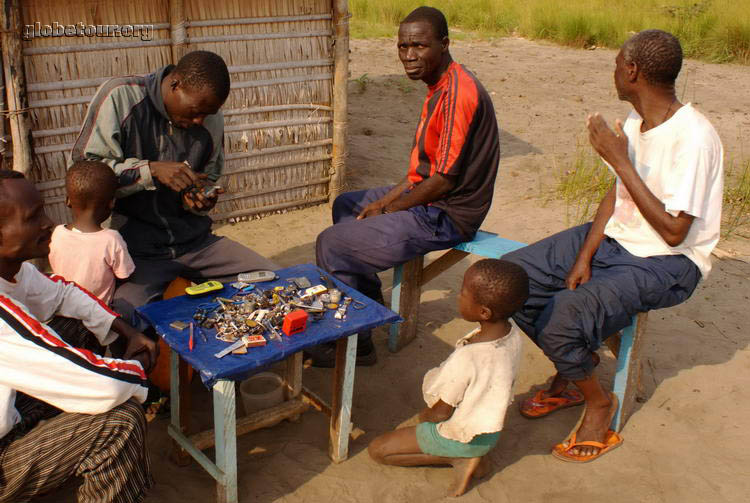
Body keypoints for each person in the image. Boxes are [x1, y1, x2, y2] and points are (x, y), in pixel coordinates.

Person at [504, 29, 723, 462]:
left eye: (617, 64)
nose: (614, 72)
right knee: (509, 279)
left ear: (632, 71)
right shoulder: (636, 124)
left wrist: (619, 158)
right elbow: (619, 192)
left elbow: (675, 232)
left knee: (564, 316)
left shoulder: (694, 138)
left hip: (667, 261)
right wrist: (585, 254)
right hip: (618, 242)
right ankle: (574, 369)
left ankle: (599, 402)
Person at [312, 6, 500, 366]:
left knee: (331, 244)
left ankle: (357, 344)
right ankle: (368, 303)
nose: (409, 56)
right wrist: (384, 202)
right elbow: (421, 172)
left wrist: (388, 208)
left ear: (444, 45)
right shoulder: (440, 84)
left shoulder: (459, 94)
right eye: (402, 47)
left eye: (419, 46)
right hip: (435, 199)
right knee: (346, 206)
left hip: (448, 214)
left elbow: (443, 180)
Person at [71, 50, 276, 327]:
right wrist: (151, 170)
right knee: (125, 317)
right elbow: (85, 171)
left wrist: (199, 199)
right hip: (137, 250)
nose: (200, 122)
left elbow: (211, 175)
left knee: (277, 281)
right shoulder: (121, 97)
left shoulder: (209, 118)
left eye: (208, 114)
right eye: (196, 111)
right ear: (175, 84)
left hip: (196, 242)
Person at [0, 170, 157, 502]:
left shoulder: (17, 272)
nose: (49, 222)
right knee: (121, 422)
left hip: (9, 410)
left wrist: (126, 331)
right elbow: (109, 384)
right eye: (33, 217)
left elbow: (64, 294)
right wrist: (138, 366)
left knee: (77, 322)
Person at [368, 259, 527, 497]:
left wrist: (425, 418)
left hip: (464, 437)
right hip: (490, 432)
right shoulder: (512, 332)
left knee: (379, 450)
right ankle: (469, 453)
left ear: (484, 311)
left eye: (463, 293)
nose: (458, 297)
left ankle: (459, 457)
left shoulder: (469, 358)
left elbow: (441, 413)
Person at [49, 160, 135, 306]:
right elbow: (125, 274)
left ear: (68, 201)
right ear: (111, 203)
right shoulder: (111, 239)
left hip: (63, 308)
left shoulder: (58, 233)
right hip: (97, 315)